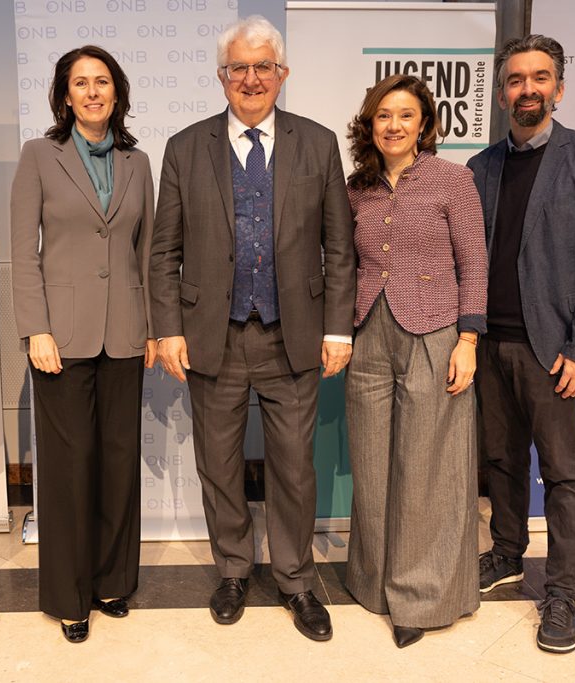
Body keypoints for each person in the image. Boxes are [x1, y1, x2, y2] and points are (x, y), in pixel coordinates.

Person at [149, 15, 355, 642]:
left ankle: (295, 579)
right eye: (238, 68)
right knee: (219, 464)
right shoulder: (185, 147)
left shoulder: (318, 143)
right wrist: (168, 329)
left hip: (293, 336)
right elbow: (164, 252)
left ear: (282, 74)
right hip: (214, 334)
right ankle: (234, 569)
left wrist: (339, 330)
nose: (251, 79)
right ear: (221, 77)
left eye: (263, 66)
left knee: (295, 468)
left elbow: (338, 248)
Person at [467, 34, 575, 654]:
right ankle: (507, 553)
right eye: (515, 79)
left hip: (555, 349)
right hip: (489, 347)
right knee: (502, 462)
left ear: (558, 88)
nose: (527, 89)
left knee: (563, 474)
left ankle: (562, 592)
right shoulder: (481, 167)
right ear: (503, 91)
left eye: (540, 78)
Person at [10, 45, 156, 644]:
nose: (92, 92)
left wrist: (151, 326)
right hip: (61, 337)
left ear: (116, 93)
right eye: (80, 83)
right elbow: (23, 250)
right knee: (70, 469)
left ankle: (112, 581)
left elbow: (146, 252)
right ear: (64, 96)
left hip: (124, 332)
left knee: (119, 463)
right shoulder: (40, 156)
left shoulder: (139, 161)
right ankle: (70, 596)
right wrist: (34, 328)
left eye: (102, 82)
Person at [343, 75, 487, 649]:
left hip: (434, 332)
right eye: (383, 116)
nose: (394, 126)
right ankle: (374, 583)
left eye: (405, 115)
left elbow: (474, 262)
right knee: (373, 465)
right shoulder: (358, 188)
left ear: (425, 124)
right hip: (366, 335)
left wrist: (468, 340)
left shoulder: (455, 180)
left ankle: (421, 598)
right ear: (369, 125)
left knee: (427, 469)